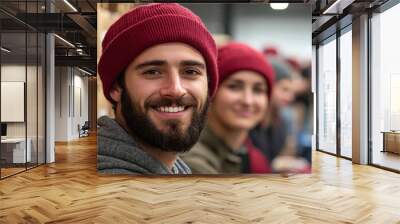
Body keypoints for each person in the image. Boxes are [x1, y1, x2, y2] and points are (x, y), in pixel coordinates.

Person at [96, 3, 218, 175]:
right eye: (153, 72)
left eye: (190, 72)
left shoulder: (174, 170)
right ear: (116, 87)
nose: (176, 89)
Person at [182, 42, 275, 174]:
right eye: (234, 87)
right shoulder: (191, 161)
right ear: (210, 91)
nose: (247, 101)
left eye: (258, 90)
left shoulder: (251, 156)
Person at [249, 56, 310, 173]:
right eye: (284, 90)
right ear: (268, 87)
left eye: (291, 91)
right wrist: (274, 165)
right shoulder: (249, 124)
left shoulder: (279, 121)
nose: (290, 97)